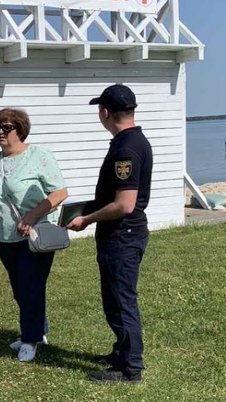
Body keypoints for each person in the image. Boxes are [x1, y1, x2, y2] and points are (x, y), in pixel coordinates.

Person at [67, 84, 153, 384]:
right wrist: (86, 209)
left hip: (122, 236)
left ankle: (130, 369)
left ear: (105, 112)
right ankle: (121, 353)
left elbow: (124, 204)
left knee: (121, 300)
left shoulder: (126, 149)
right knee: (114, 298)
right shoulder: (133, 141)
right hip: (125, 233)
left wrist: (87, 219)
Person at [0, 108, 68, 363]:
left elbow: (60, 193)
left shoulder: (39, 156)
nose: (0, 132)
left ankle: (30, 339)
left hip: (34, 236)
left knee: (30, 287)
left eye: (6, 128)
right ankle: (37, 328)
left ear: (20, 130)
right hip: (4, 238)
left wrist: (31, 217)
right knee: (19, 289)